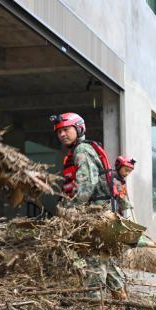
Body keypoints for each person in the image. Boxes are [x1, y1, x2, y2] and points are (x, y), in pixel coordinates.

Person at [51, 112, 126, 300]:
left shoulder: (82, 151)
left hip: (95, 215)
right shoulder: (84, 149)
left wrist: (69, 207)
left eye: (66, 130)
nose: (62, 135)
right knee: (106, 258)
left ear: (79, 129)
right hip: (104, 213)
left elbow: (86, 186)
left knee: (93, 259)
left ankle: (95, 307)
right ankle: (123, 302)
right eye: (59, 132)